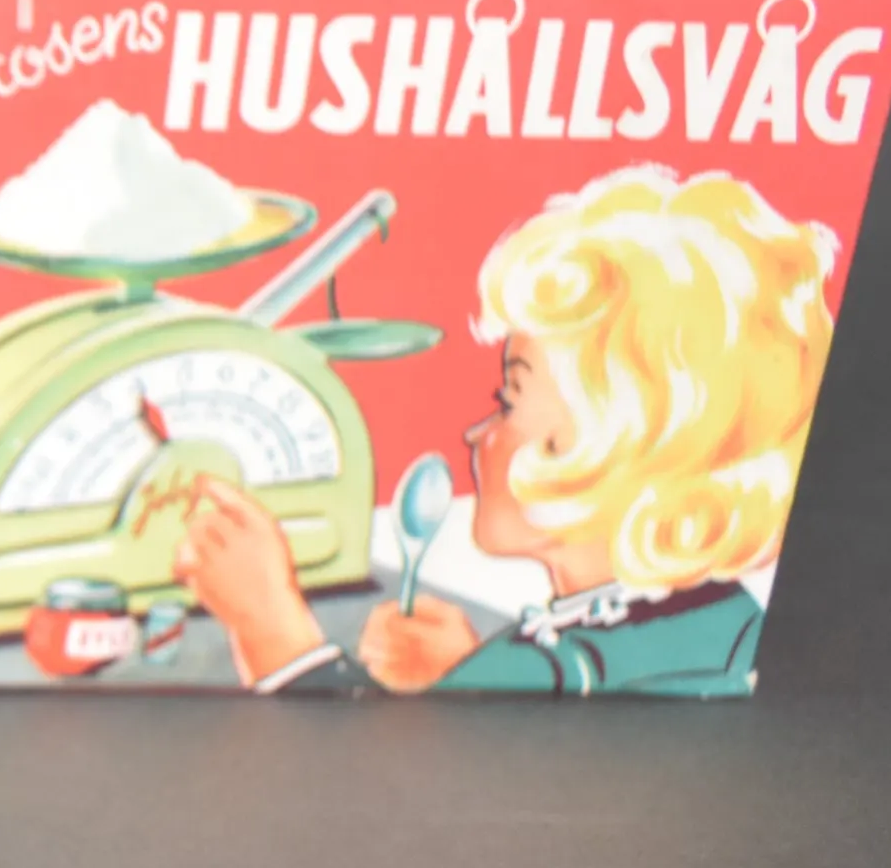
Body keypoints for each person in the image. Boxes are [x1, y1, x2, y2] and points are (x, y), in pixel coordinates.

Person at [172, 166, 835, 696]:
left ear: (606, 448)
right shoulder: (727, 621)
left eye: (508, 400)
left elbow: (346, 777)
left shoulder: (562, 669)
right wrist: (467, 669)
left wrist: (271, 626)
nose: (475, 433)